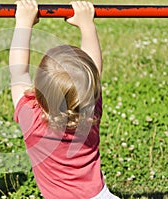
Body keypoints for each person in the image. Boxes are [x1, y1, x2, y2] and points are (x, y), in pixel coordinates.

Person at [9, 0, 120, 198]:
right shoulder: (90, 112)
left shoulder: (32, 121)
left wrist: (24, 23)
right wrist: (87, 25)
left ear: (38, 91)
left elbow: (18, 73)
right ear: (90, 88)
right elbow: (93, 68)